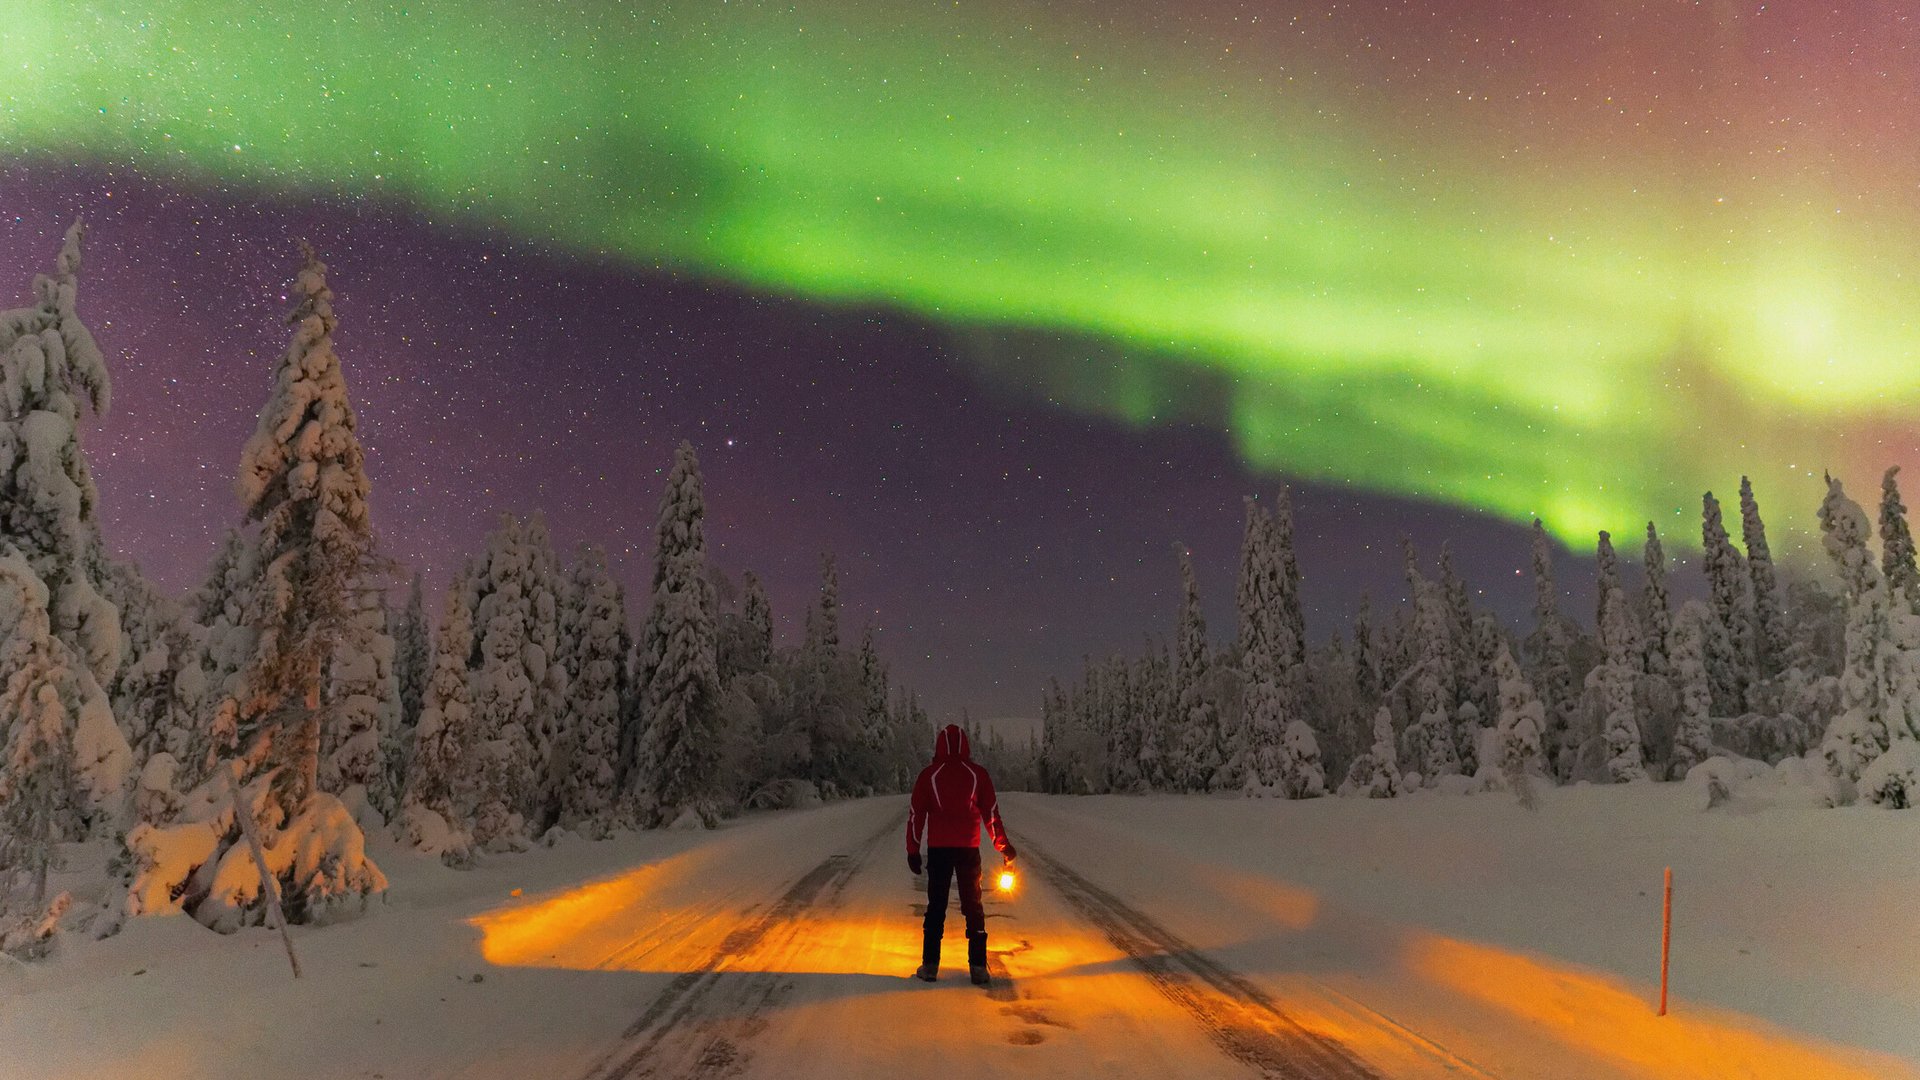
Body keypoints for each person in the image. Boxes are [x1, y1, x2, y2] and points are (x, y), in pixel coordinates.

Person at [906, 723, 1016, 986]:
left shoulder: (929, 775)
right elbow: (991, 815)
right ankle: (978, 966)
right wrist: (1003, 847)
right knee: (973, 906)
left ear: (939, 745)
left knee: (936, 906)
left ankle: (930, 965)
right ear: (965, 745)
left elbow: (915, 815)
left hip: (939, 850)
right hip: (968, 849)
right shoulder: (977, 774)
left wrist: (913, 850)